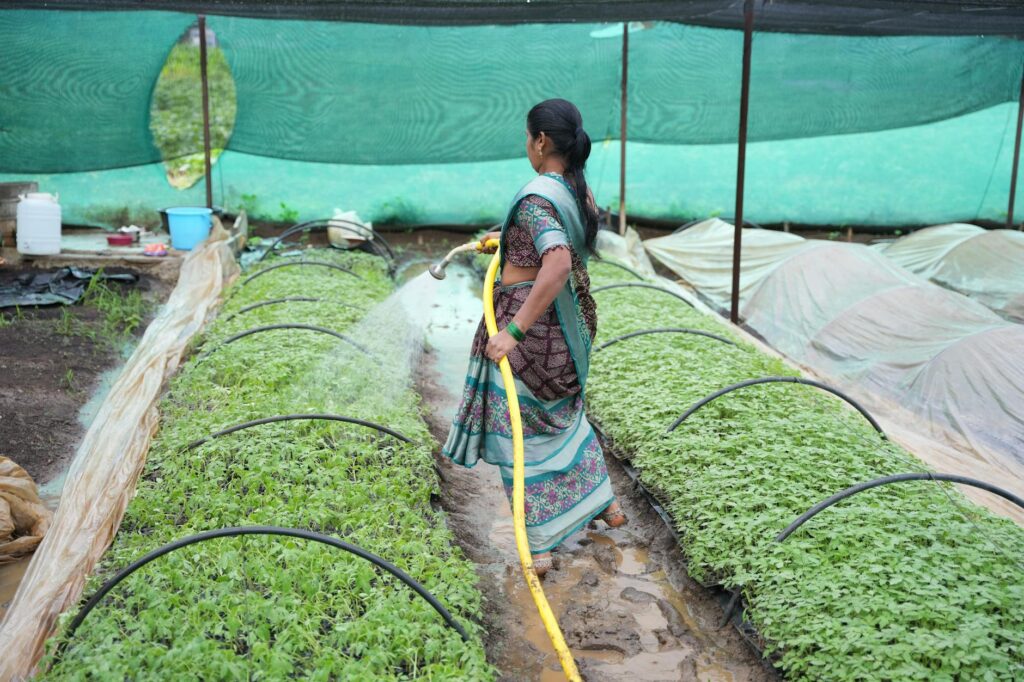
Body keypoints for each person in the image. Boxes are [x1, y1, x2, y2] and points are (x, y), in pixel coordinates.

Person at [442, 98, 626, 577]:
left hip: (533, 331)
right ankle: (607, 506)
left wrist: (513, 332)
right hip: (570, 329)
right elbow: (545, 242)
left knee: (517, 437)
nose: (527, 145)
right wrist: (503, 238)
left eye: (528, 137)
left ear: (541, 141)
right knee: (563, 421)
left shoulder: (538, 198)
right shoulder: (576, 192)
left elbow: (558, 260)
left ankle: (540, 544)